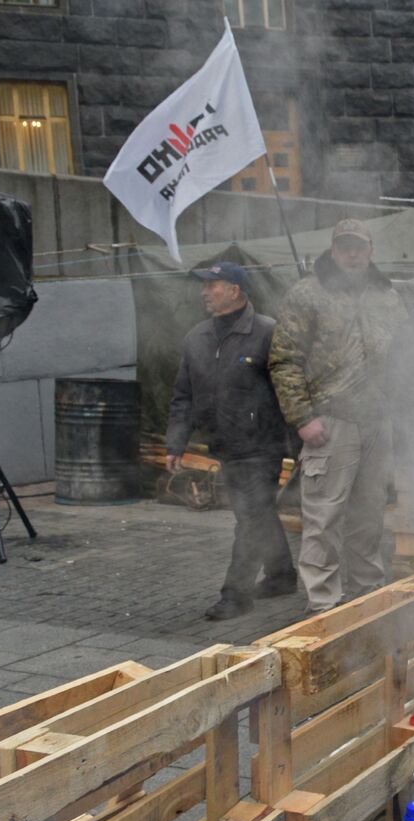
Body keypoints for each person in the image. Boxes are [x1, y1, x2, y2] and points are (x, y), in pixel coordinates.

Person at [269, 219, 405, 612]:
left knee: (369, 517)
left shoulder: (387, 296)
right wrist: (302, 418)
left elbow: (403, 355)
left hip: (377, 421)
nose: (352, 253)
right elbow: (284, 361)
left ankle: (367, 594)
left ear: (370, 251)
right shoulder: (308, 294)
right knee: (324, 519)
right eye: (344, 247)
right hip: (330, 422)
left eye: (358, 246)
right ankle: (323, 604)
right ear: (333, 251)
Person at [166, 261, 294, 620]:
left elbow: (290, 388)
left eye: (213, 285)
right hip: (223, 443)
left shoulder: (267, 332)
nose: (205, 292)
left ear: (235, 290)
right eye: (204, 286)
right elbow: (183, 395)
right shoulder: (197, 338)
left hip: (263, 444)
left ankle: (235, 595)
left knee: (250, 516)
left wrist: (297, 440)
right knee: (256, 512)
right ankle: (282, 575)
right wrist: (176, 442)